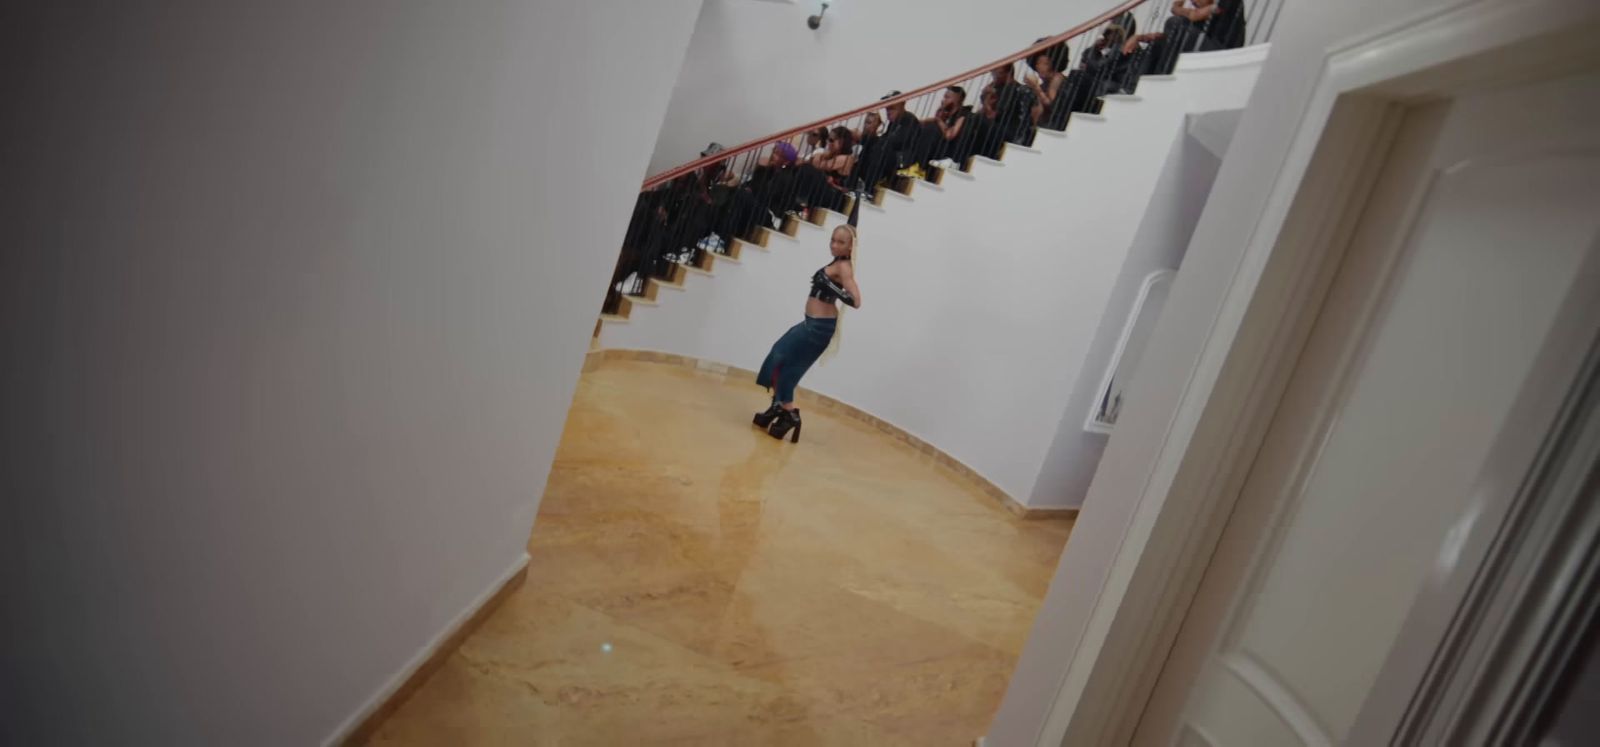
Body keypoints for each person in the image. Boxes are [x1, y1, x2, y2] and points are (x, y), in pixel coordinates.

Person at [753, 222, 862, 442]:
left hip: (819, 328)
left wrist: (830, 286)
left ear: (851, 247)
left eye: (840, 242)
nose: (834, 245)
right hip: (811, 323)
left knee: (785, 362)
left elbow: (856, 301)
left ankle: (789, 414)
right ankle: (779, 408)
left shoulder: (844, 268)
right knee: (780, 359)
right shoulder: (837, 263)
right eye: (832, 240)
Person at [983, 64, 1035, 149]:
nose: (993, 77)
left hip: (1010, 133)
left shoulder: (1010, 90)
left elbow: (992, 115)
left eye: (995, 73)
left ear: (1004, 73)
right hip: (1009, 131)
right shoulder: (1003, 89)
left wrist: (986, 101)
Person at [1025, 51, 1069, 130]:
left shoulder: (1057, 78)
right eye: (1037, 63)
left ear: (1051, 65)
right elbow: (1040, 112)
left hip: (1059, 123)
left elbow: (1052, 105)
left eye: (1044, 63)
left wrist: (1036, 87)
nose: (1039, 66)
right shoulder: (1042, 86)